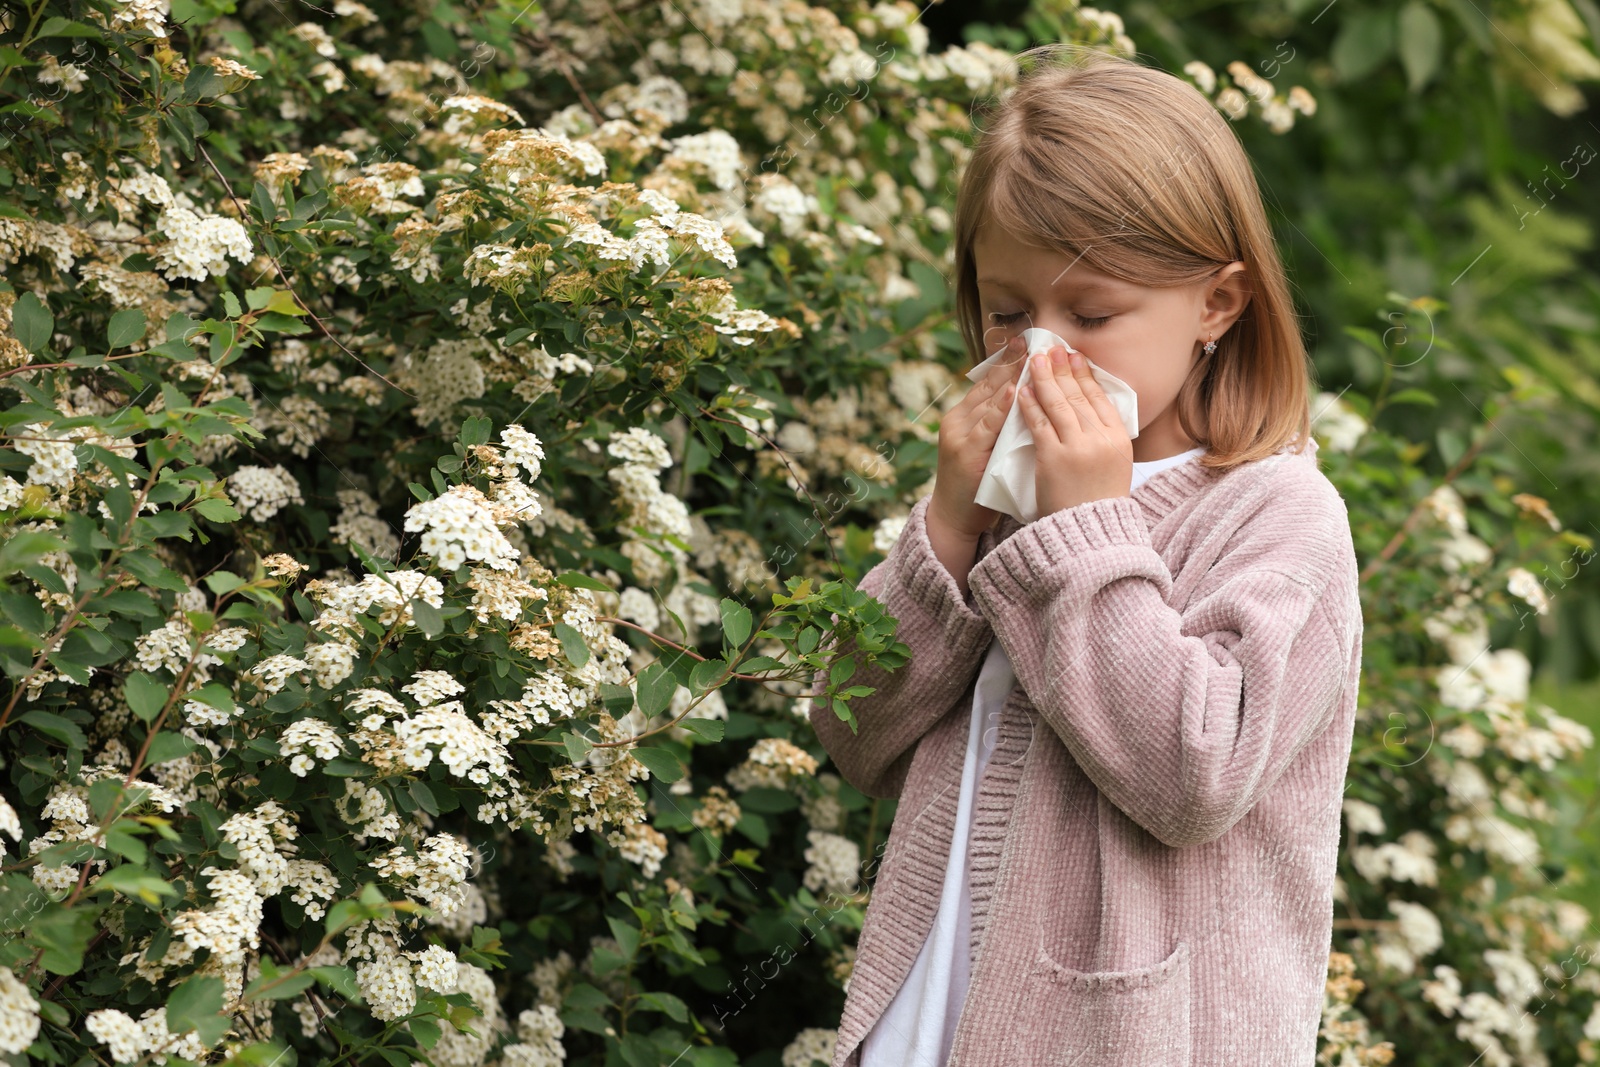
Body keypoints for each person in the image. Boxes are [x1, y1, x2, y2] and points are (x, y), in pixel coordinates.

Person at [809, 43, 1364, 1067]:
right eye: (1008, 311)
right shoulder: (1007, 495)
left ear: (1217, 303)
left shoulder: (1280, 515)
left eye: (1091, 313)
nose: (1042, 351)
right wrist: (944, 526)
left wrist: (1079, 530)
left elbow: (1194, 774)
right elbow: (855, 729)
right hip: (928, 1015)